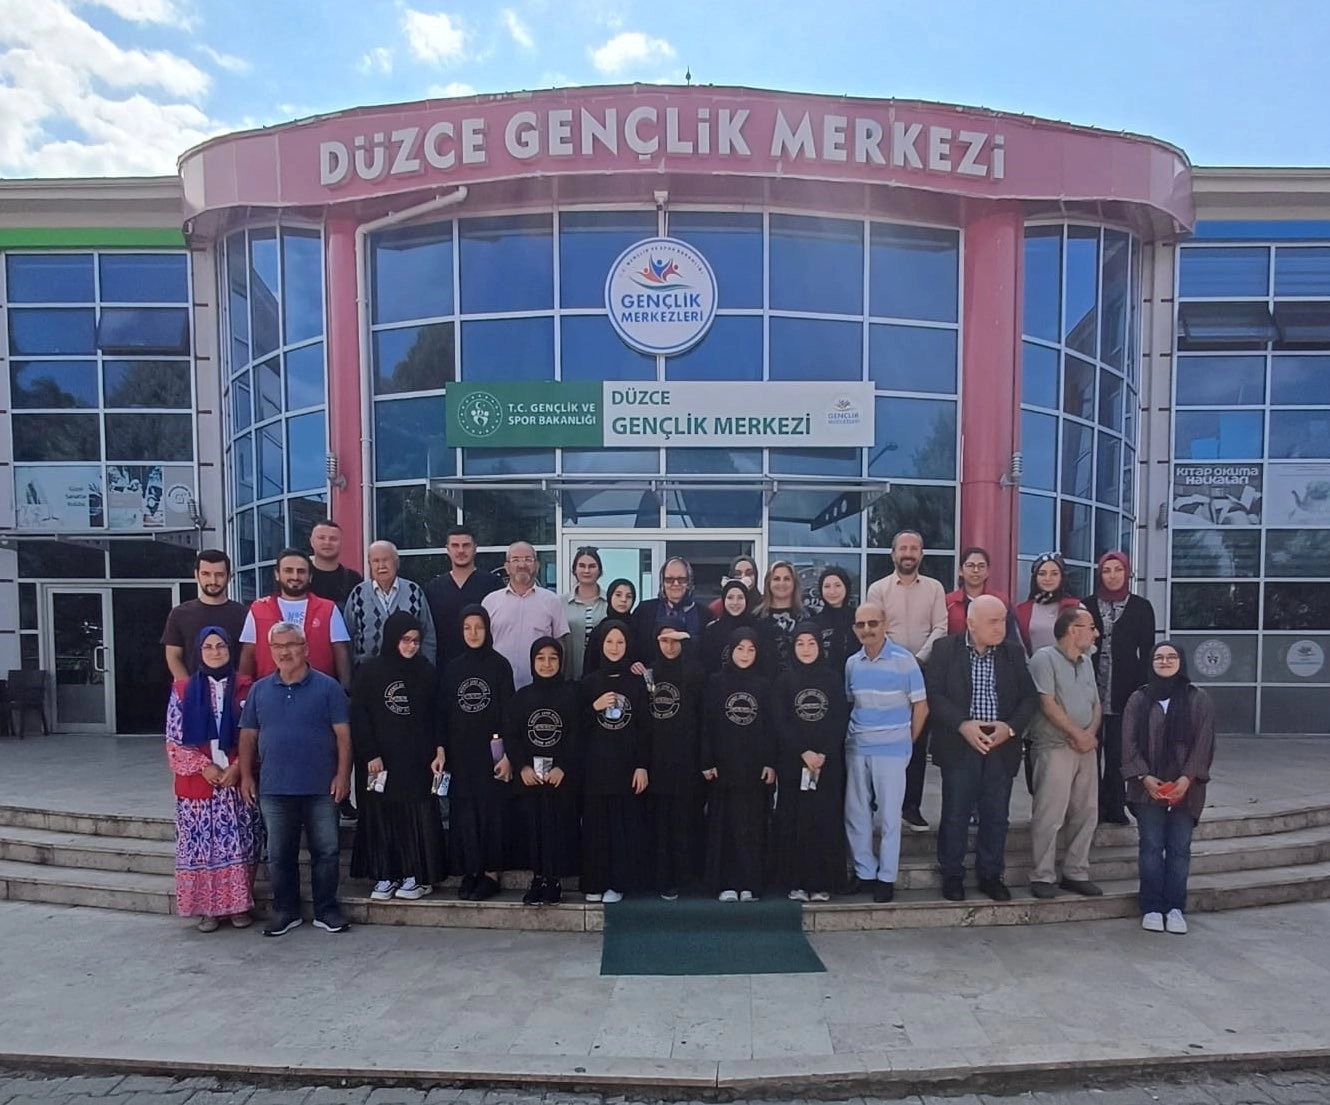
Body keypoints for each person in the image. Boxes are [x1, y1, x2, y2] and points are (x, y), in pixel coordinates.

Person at [239, 621, 352, 936]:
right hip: (274, 788)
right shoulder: (259, 690)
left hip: (321, 786)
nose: (285, 652)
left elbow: (344, 737)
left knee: (326, 852)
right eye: (278, 646)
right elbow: (248, 736)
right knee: (279, 855)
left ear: (305, 648)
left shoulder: (328, 688)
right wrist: (246, 776)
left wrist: (343, 775)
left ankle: (326, 910)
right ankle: (286, 911)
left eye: (291, 644)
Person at [926, 595, 1038, 903]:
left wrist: (1010, 728)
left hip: (1001, 745)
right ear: (971, 624)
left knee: (996, 816)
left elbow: (1029, 698)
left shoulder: (1013, 653)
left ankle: (991, 875)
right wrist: (962, 724)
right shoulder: (945, 649)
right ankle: (952, 875)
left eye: (1003, 620)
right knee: (955, 814)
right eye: (993, 621)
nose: (1000, 627)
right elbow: (934, 694)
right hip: (960, 742)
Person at [164, 626, 261, 932]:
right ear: (198, 652)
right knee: (201, 850)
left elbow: (257, 733)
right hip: (199, 786)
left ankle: (238, 907)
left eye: (221, 646)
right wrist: (204, 767)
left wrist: (239, 767)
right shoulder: (182, 690)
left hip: (235, 784)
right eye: (208, 647)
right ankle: (207, 910)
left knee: (240, 845)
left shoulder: (247, 687)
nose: (215, 652)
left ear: (230, 650)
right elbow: (174, 740)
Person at [349, 612, 447, 902]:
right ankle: (385, 873)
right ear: (392, 638)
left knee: (415, 816)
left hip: (417, 760)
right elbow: (360, 715)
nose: (411, 646)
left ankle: (415, 874)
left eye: (416, 640)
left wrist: (440, 748)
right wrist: (370, 753)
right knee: (382, 815)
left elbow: (438, 714)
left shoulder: (426, 672)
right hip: (380, 761)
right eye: (405, 640)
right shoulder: (370, 672)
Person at [1121, 642, 1216, 936]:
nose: (1165, 661)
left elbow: (1204, 743)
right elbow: (1128, 743)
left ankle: (1175, 907)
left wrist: (1186, 779)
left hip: (1187, 790)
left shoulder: (1198, 699)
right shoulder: (1139, 699)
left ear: (1181, 661)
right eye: (1159, 657)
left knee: (1179, 849)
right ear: (1151, 662)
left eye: (1171, 656)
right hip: (1147, 789)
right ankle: (1151, 907)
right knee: (1151, 847)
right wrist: (1144, 777)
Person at [843, 602, 927, 904]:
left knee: (890, 816)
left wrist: (906, 741)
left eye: (873, 623)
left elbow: (921, 707)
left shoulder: (905, 660)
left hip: (892, 750)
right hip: (857, 747)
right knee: (856, 813)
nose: (867, 629)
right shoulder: (852, 663)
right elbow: (851, 702)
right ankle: (865, 871)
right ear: (855, 629)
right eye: (861, 624)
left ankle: (886, 877)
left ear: (884, 624)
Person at [864, 530, 947, 833]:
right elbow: (875, 628)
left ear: (921, 554)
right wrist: (899, 659)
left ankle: (911, 806)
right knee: (885, 737)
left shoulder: (935, 588)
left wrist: (918, 659)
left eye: (914, 548)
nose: (908, 553)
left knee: (916, 739)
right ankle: (879, 800)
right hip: (887, 671)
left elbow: (941, 627)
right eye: (903, 548)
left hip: (923, 671)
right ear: (893, 554)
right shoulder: (878, 589)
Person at [1027, 608, 1104, 900]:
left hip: (1086, 748)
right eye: (1091, 627)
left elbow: (1096, 703)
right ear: (1073, 630)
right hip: (1055, 746)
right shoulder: (1043, 658)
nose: (1096, 633)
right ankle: (1042, 875)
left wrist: (1090, 735)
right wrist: (1077, 734)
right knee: (1050, 813)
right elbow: (1047, 703)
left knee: (1086, 812)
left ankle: (1076, 872)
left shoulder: (1086, 661)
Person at [440, 605, 515, 901]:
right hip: (461, 753)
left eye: (479, 627)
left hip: (492, 755)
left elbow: (508, 713)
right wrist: (442, 749)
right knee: (465, 813)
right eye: (467, 627)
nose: (473, 633)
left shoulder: (500, 665)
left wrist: (508, 755)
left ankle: (491, 874)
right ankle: (470, 870)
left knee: (491, 813)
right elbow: (444, 712)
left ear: (488, 630)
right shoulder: (452, 668)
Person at [772, 621, 848, 902]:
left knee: (823, 820)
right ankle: (797, 882)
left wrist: (823, 753)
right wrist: (803, 752)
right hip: (794, 764)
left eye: (811, 643)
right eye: (800, 643)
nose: (806, 649)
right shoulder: (784, 681)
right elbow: (780, 721)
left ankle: (821, 882)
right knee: (795, 821)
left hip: (827, 765)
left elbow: (840, 719)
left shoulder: (832, 679)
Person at [506, 637, 582, 905]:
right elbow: (512, 736)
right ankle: (537, 878)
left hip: (560, 779)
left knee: (557, 829)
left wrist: (564, 767)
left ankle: (554, 880)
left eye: (553, 658)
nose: (547, 664)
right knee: (533, 829)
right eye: (540, 658)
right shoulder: (521, 697)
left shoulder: (571, 695)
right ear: (532, 662)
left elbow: (577, 735)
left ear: (561, 662)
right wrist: (522, 766)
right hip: (531, 779)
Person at [702, 627, 776, 902]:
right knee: (725, 827)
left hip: (754, 768)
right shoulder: (716, 682)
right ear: (730, 651)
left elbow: (771, 728)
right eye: (740, 649)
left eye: (751, 649)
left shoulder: (764, 684)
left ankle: (750, 884)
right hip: (724, 767)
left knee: (752, 827)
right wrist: (707, 760)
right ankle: (726, 884)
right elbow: (706, 724)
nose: (745, 655)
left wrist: (770, 763)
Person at [1083, 551, 1156, 825]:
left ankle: (1115, 806)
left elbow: (1147, 652)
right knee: (1089, 753)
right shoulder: (1086, 605)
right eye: (1106, 570)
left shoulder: (1141, 607)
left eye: (1118, 570)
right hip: (1090, 690)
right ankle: (1091, 808)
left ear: (1127, 573)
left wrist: (1146, 692)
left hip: (1125, 692)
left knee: (1117, 753)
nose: (1112, 576)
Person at [580, 619, 650, 903]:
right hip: (595, 767)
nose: (614, 647)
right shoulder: (588, 683)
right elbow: (575, 727)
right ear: (600, 644)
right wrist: (593, 707)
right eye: (609, 641)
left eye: (620, 642)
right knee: (596, 827)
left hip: (626, 766)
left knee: (622, 827)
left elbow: (645, 727)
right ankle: (595, 881)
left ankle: (617, 883)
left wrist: (642, 765)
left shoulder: (635, 682)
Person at [645, 623, 706, 899]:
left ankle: (685, 877)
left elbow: (702, 715)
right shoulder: (648, 672)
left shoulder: (695, 672)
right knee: (660, 822)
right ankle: (662, 877)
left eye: (676, 641)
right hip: (656, 759)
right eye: (664, 641)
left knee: (684, 819)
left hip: (686, 759)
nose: (670, 647)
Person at [238, 549, 352, 689]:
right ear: (277, 574)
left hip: (318, 692)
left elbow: (341, 652)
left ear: (310, 576)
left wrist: (345, 690)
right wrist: (244, 691)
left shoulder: (328, 608)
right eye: (288, 570)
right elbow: (248, 653)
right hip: (270, 692)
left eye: (301, 571)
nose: (295, 576)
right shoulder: (258, 609)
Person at [482, 542, 567, 690]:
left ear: (537, 565)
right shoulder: (490, 601)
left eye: (528, 559)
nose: (522, 565)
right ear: (507, 567)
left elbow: (560, 644)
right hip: (497, 687)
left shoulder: (552, 601)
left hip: (539, 689)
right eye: (515, 559)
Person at [344, 540, 437, 667]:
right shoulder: (358, 594)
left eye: (386, 560)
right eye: (376, 561)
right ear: (369, 564)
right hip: (367, 672)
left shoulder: (414, 592)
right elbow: (347, 638)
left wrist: (428, 668)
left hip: (410, 671)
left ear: (397, 563)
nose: (381, 566)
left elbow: (428, 635)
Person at [162, 550, 249, 679]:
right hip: (192, 688)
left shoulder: (244, 614)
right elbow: (173, 656)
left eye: (219, 574)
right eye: (206, 574)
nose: (213, 581)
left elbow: (248, 656)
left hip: (234, 688)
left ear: (229, 576)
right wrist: (187, 686)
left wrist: (241, 685)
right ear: (196, 575)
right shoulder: (179, 614)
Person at [424, 525, 502, 667]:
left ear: (475, 548)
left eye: (466, 545)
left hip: (485, 666)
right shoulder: (433, 588)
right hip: (444, 668)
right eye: (455, 545)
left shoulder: (493, 585)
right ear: (447, 549)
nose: (461, 550)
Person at [945, 546, 1019, 642]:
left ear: (987, 571)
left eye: (981, 566)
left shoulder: (1000, 600)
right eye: (970, 565)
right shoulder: (949, 602)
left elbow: (1011, 637)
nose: (976, 570)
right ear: (960, 571)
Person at [1015, 553, 1083, 656]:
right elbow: (1019, 648)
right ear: (1035, 577)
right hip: (1033, 665)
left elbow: (1087, 644)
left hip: (1069, 665)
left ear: (1062, 577)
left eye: (1054, 574)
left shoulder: (1076, 607)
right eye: (1042, 573)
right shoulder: (1021, 611)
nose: (1048, 578)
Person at [633, 557, 706, 647]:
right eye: (669, 579)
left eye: (681, 579)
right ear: (662, 583)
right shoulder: (644, 611)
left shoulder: (704, 614)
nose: (676, 584)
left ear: (689, 582)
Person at [563, 545, 607, 680]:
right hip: (569, 673)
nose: (586, 570)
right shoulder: (560, 603)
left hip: (601, 675)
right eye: (582, 566)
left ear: (599, 570)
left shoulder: (610, 602)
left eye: (592, 566)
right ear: (574, 570)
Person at [753, 560, 804, 674]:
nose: (781, 583)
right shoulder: (756, 618)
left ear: (794, 583)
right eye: (776, 579)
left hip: (801, 680)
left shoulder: (807, 616)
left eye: (787, 579)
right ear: (768, 583)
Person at [702, 580, 754, 674]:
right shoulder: (712, 630)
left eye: (740, 598)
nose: (735, 602)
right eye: (730, 597)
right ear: (723, 600)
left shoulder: (756, 628)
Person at [308, 519, 363, 608]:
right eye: (321, 538)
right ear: (311, 541)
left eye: (333, 539)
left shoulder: (353, 579)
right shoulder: (301, 576)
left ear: (341, 543)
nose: (327, 543)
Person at [813, 566, 857, 673]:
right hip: (824, 679)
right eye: (827, 586)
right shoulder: (813, 623)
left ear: (846, 587)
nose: (832, 591)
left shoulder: (859, 619)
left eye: (837, 585)